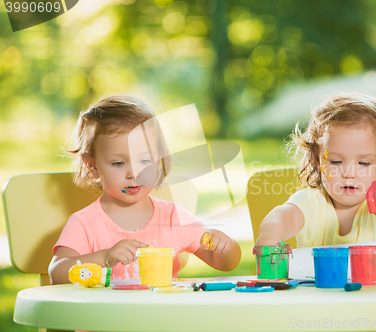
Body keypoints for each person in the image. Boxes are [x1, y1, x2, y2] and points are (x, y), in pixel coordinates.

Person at [49, 95, 241, 284]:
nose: (134, 173)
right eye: (118, 163)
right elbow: (57, 273)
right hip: (104, 315)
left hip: (160, 314)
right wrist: (105, 258)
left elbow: (225, 264)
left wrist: (225, 246)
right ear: (93, 166)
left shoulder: (173, 217)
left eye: (145, 160)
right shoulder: (84, 223)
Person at [255, 92, 376, 250]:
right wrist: (271, 234)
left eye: (363, 163)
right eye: (336, 161)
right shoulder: (311, 202)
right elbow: (284, 216)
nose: (349, 173)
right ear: (317, 160)